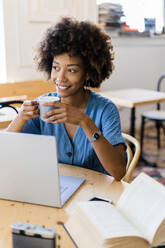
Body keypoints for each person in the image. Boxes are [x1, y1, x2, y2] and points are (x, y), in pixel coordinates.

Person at [7, 17, 126, 180]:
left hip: (95, 195)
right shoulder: (43, 105)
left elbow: (119, 172)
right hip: (56, 190)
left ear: (88, 72)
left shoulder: (105, 110)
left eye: (71, 70)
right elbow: (4, 153)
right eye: (56, 68)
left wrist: (85, 122)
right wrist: (20, 119)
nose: (60, 78)